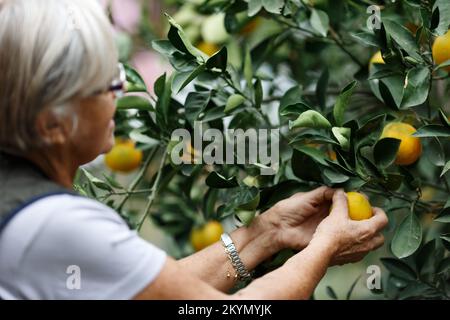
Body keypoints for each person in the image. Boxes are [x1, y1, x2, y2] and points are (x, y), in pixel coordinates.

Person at [0, 0, 388, 300]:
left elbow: (157, 292)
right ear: (51, 123)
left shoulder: (25, 202)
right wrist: (324, 248)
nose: (119, 98)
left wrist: (267, 233)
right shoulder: (54, 224)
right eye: (106, 87)